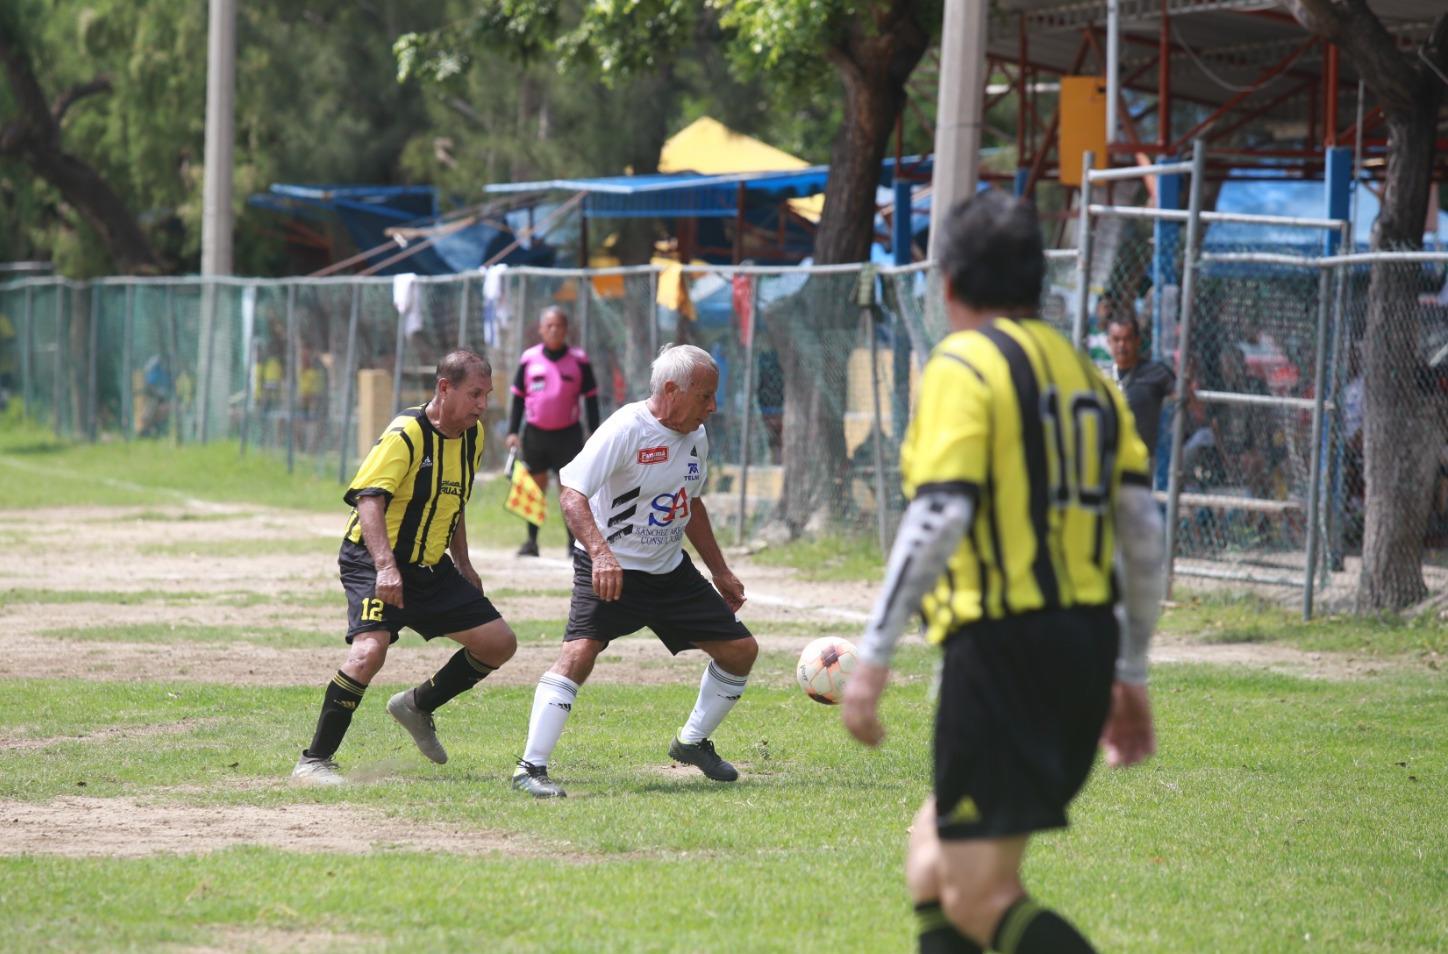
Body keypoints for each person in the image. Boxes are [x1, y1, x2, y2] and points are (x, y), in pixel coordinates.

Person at [841, 191, 1166, 954]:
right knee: (930, 861)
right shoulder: (1085, 374)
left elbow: (937, 516)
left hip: (1003, 649)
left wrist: (873, 659)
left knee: (980, 893)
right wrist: (1129, 667)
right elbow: (1143, 532)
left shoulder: (963, 363)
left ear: (947, 283)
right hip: (1080, 646)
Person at [511, 343, 755, 798]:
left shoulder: (695, 435)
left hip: (669, 572)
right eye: (705, 395)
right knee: (578, 655)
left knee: (740, 651)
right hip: (613, 570)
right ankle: (531, 768)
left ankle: (692, 742)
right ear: (670, 389)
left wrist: (719, 569)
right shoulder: (627, 429)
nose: (713, 406)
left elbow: (691, 502)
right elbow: (571, 493)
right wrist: (601, 555)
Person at [292, 350, 518, 785]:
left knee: (498, 643)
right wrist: (385, 567)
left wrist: (464, 563)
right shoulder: (407, 434)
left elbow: (454, 501)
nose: (481, 405)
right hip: (373, 560)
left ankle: (416, 706)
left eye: (487, 395)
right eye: (474, 394)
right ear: (444, 388)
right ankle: (313, 761)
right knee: (369, 652)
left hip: (430, 568)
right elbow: (369, 498)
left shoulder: (473, 437)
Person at [505, 306, 601, 557]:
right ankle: (532, 541)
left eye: (559, 325)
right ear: (541, 329)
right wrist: (513, 431)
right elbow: (517, 398)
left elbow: (591, 399)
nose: (554, 330)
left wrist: (594, 431)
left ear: (566, 329)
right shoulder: (529, 359)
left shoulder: (579, 360)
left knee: (570, 490)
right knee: (534, 488)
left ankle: (573, 544)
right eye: (549, 326)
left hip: (568, 435)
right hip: (535, 433)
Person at [1105, 309, 1176, 468]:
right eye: (1116, 339)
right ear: (1108, 342)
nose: (1121, 345)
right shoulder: (1103, 376)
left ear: (1137, 341)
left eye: (1127, 339)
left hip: (1140, 461)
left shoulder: (1156, 372)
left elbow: (1185, 401)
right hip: (1108, 457)